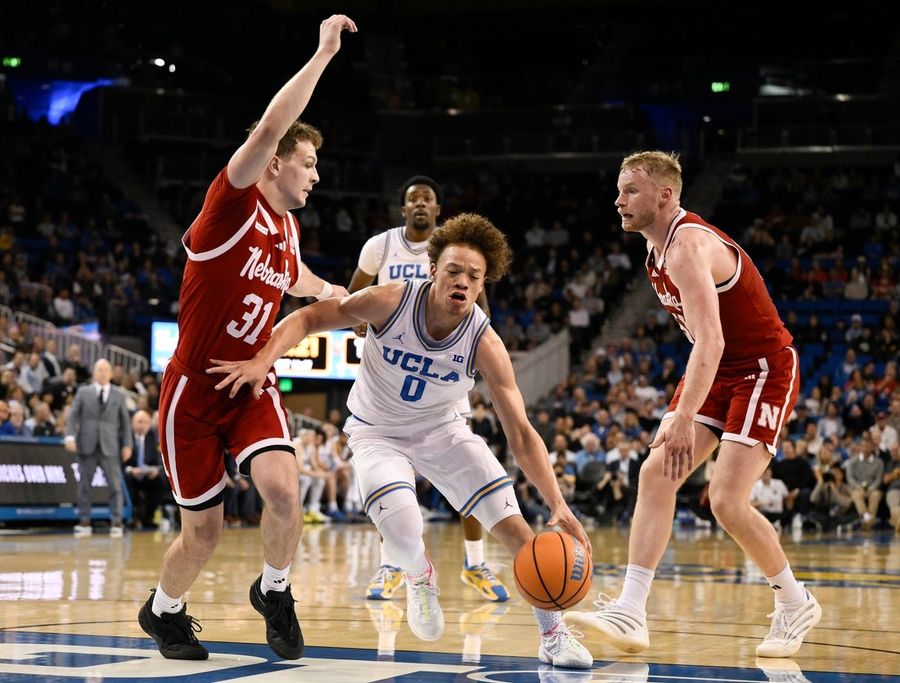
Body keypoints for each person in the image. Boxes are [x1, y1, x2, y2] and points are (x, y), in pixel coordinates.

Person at [209, 213, 593, 669]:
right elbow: (309, 317)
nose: (462, 281)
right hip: (377, 432)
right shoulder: (389, 301)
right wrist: (262, 360)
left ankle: (553, 635)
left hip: (442, 431)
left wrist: (557, 504)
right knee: (405, 530)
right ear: (433, 270)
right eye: (453, 270)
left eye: (473, 276)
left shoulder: (484, 343)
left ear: (483, 284)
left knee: (517, 530)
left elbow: (522, 435)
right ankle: (418, 574)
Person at [137, 14, 357, 663]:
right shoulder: (229, 206)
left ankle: (275, 590)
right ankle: (163, 610)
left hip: (252, 382)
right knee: (203, 533)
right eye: (308, 163)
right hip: (193, 391)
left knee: (285, 490)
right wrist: (323, 54)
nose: (316, 175)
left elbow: (297, 278)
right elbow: (267, 128)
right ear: (275, 163)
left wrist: (336, 296)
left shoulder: (287, 229)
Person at [564, 151, 821, 658]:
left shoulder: (686, 246)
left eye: (630, 191)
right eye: (619, 191)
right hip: (718, 367)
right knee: (656, 474)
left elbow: (712, 339)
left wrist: (683, 418)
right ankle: (630, 610)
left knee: (725, 500)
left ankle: (795, 602)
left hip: (762, 369)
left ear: (665, 195)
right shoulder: (654, 250)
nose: (618, 200)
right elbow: (709, 345)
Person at [347, 176, 510, 603]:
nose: (420, 204)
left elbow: (479, 311)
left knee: (468, 472)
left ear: (438, 210)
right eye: (413, 199)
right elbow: (353, 297)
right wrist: (362, 320)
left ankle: (475, 563)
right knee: (388, 479)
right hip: (392, 370)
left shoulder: (456, 253)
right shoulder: (380, 246)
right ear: (403, 209)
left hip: (442, 372)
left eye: (428, 199)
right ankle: (391, 565)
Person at [64, 359, 132, 538]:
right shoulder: (83, 392)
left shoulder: (119, 395)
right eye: (99, 369)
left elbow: (126, 423)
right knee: (84, 486)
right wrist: (70, 436)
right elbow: (73, 416)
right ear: (94, 373)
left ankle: (116, 522)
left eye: (106, 369)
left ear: (111, 373)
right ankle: (84, 521)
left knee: (115, 487)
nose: (102, 372)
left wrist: (127, 444)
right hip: (87, 445)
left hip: (110, 446)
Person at [123, 409, 168, 529]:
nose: (142, 425)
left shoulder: (152, 436)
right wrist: (131, 470)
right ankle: (131, 518)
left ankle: (148, 518)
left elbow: (159, 459)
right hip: (131, 473)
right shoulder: (125, 436)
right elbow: (120, 461)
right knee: (126, 480)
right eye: (139, 422)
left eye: (146, 422)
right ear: (132, 422)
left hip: (147, 474)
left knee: (160, 482)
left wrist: (155, 470)